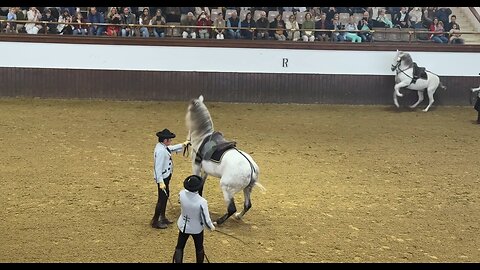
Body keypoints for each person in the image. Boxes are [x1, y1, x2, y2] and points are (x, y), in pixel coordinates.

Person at [172, 175, 215, 263]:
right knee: (199, 248)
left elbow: (179, 201)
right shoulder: (202, 201)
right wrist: (211, 227)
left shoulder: (181, 193)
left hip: (183, 226)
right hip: (196, 228)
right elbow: (206, 220)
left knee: (179, 247)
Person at [151, 129, 188, 229]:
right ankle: (155, 220)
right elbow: (157, 168)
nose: (171, 142)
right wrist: (160, 182)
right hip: (163, 178)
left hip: (166, 176)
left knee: (165, 197)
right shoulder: (161, 151)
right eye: (170, 140)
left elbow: (171, 148)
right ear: (165, 140)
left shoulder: (163, 147)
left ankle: (162, 217)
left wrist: (182, 145)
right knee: (161, 199)